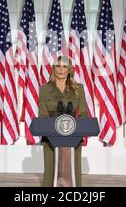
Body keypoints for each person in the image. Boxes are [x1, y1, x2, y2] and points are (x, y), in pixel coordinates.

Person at [39, 56, 88, 187]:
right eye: (58, 66)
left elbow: (83, 114)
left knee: (73, 172)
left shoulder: (78, 89)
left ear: (69, 70)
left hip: (73, 137)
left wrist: (77, 130)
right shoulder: (44, 89)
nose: (60, 69)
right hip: (50, 137)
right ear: (53, 68)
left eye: (64, 66)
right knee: (50, 173)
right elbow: (43, 116)